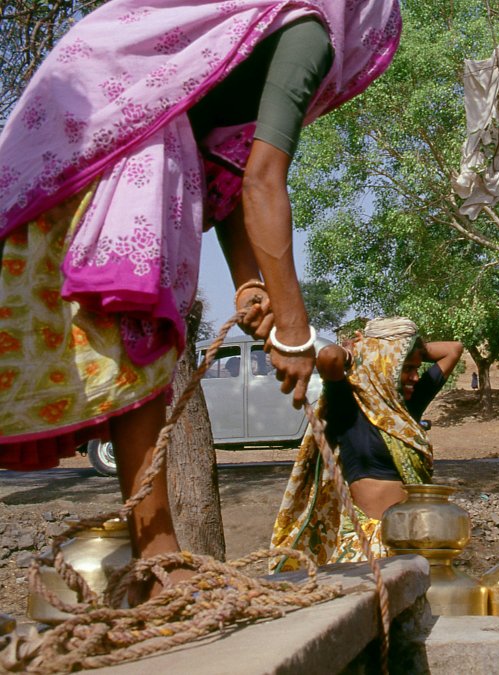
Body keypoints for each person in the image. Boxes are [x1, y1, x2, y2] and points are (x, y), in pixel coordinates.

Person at [0, 0, 402, 594]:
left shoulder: (243, 32)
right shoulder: (313, 27)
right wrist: (294, 330)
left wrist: (249, 283)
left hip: (74, 134)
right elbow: (265, 178)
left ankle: (159, 558)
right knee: (134, 331)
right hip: (118, 136)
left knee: (126, 344)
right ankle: (160, 557)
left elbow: (231, 175)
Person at [272, 317, 462, 567]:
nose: (416, 377)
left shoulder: (405, 410)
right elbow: (329, 358)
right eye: (407, 368)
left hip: (414, 541)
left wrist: (405, 345)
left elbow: (453, 349)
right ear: (385, 364)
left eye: (416, 368)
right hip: (369, 549)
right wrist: (359, 353)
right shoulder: (349, 407)